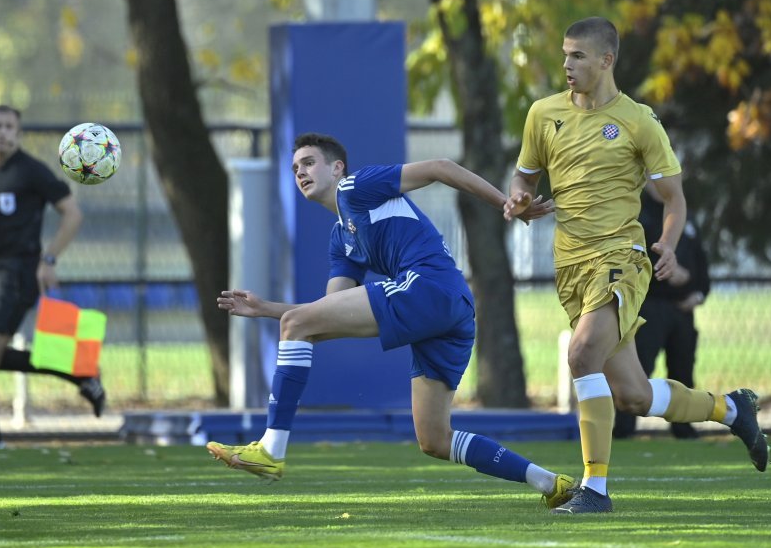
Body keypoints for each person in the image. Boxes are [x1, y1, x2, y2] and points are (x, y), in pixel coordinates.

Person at [206, 132, 574, 509]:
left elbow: (440, 167)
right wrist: (266, 308)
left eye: (309, 162)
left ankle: (271, 448)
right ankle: (549, 482)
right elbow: (329, 311)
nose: (301, 172)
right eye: (295, 167)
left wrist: (506, 204)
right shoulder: (342, 238)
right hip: (452, 309)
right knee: (434, 439)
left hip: (429, 287)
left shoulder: (356, 187)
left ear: (337, 168)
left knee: (299, 325)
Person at [504, 17, 768, 514]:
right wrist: (520, 201)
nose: (566, 64)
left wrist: (666, 243)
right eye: (565, 54)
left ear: (607, 60)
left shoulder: (638, 120)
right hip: (571, 268)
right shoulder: (543, 114)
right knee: (634, 396)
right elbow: (524, 179)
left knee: (582, 356)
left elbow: (674, 198)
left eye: (578, 55)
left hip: (621, 258)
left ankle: (595, 490)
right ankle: (732, 409)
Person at [0, 105, 106, 448]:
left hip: (20, 273)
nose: (2, 132)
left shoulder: (32, 171)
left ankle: (79, 370)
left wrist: (48, 260)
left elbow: (72, 213)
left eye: (9, 127)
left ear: (18, 133)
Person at [613, 182, 711, 440]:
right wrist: (667, 274)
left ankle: (684, 426)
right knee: (639, 367)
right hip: (650, 305)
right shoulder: (639, 213)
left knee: (683, 369)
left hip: (683, 309)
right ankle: (623, 429)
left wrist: (698, 293)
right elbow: (634, 262)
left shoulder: (683, 215)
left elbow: (701, 263)